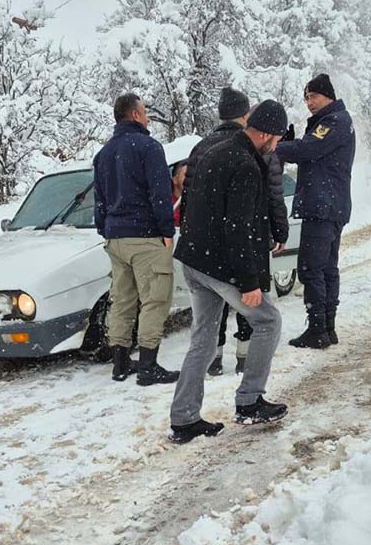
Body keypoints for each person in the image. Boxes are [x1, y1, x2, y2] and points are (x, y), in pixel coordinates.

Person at [169, 100, 291, 444]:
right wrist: (249, 282)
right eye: (277, 138)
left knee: (203, 340)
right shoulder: (246, 165)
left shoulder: (211, 151)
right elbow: (239, 228)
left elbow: (190, 203)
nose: (277, 145)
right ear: (265, 133)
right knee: (268, 321)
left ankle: (184, 419)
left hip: (194, 259)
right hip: (219, 265)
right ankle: (250, 401)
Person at [185, 88, 289, 376]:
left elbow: (190, 193)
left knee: (207, 325)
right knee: (256, 308)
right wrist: (279, 231)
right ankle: (246, 365)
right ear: (246, 116)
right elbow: (272, 195)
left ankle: (215, 359)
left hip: (203, 251)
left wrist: (191, 235)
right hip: (241, 245)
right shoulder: (253, 155)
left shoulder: (202, 147)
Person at [93, 93, 180, 386]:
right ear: (134, 115)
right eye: (144, 112)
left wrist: (105, 229)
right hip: (145, 236)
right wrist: (166, 231)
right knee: (155, 298)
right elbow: (160, 194)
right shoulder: (148, 148)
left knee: (122, 300)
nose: (147, 117)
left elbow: (100, 199)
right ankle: (148, 365)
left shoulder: (104, 154)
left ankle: (120, 363)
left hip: (115, 238)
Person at [275, 74, 355, 350]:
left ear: (328, 96)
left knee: (311, 268)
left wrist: (274, 147)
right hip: (330, 204)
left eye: (314, 97)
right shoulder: (332, 121)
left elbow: (309, 149)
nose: (310, 103)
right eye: (307, 98)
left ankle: (318, 328)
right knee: (327, 268)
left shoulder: (334, 122)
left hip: (323, 205)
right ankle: (327, 327)